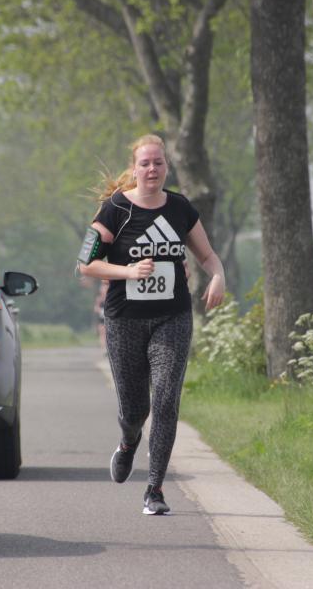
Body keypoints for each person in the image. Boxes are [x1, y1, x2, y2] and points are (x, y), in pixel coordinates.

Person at [78, 134, 225, 515]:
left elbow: (207, 255)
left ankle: (155, 490)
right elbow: (86, 265)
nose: (152, 169)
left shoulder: (179, 208)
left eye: (158, 162)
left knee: (165, 401)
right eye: (145, 163)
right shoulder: (115, 209)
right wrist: (128, 271)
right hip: (125, 320)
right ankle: (128, 442)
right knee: (134, 410)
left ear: (167, 167)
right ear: (134, 168)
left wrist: (218, 275)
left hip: (171, 317)